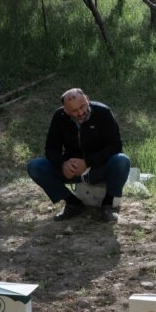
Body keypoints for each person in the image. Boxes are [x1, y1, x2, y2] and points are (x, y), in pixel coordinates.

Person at [26, 88, 130, 223]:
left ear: (87, 99)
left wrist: (87, 162)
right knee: (35, 167)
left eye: (82, 106)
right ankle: (73, 203)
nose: (80, 113)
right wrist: (63, 164)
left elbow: (115, 146)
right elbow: (51, 149)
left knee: (122, 161)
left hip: (98, 168)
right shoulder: (59, 117)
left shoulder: (103, 112)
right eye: (74, 111)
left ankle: (108, 205)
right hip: (72, 170)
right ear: (66, 110)